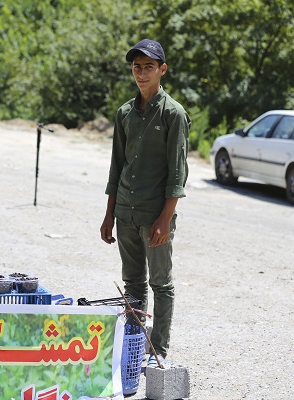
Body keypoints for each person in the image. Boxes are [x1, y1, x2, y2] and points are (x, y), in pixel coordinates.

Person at [100, 39, 190, 368]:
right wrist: (109, 214)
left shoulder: (173, 114)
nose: (141, 73)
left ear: (162, 70)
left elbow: (178, 173)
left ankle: (158, 349)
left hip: (155, 214)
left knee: (161, 284)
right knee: (133, 284)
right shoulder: (125, 113)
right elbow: (117, 166)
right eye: (136, 67)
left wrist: (165, 218)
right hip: (125, 211)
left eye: (148, 67)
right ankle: (135, 344)